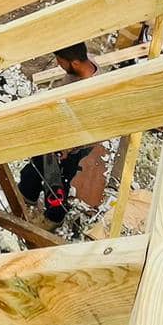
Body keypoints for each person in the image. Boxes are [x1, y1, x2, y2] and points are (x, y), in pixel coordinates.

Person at [18, 43, 102, 226]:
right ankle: (27, 196)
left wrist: (67, 148)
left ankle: (54, 219)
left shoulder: (88, 91)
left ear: (76, 62)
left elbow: (88, 128)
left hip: (71, 146)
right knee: (34, 170)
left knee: (55, 185)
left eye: (61, 61)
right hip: (57, 135)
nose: (58, 65)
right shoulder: (85, 67)